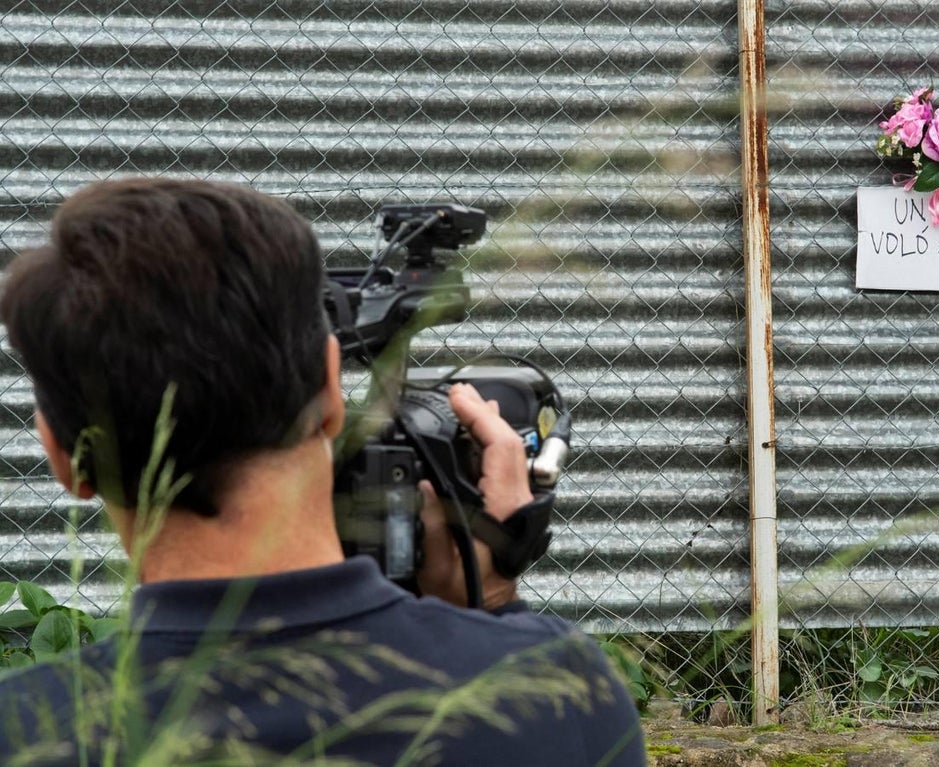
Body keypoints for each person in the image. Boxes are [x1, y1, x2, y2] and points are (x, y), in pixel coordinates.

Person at [0, 177, 645, 765]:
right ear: (332, 391)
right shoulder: (559, 698)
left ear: (62, 456)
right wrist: (493, 602)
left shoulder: (24, 732)